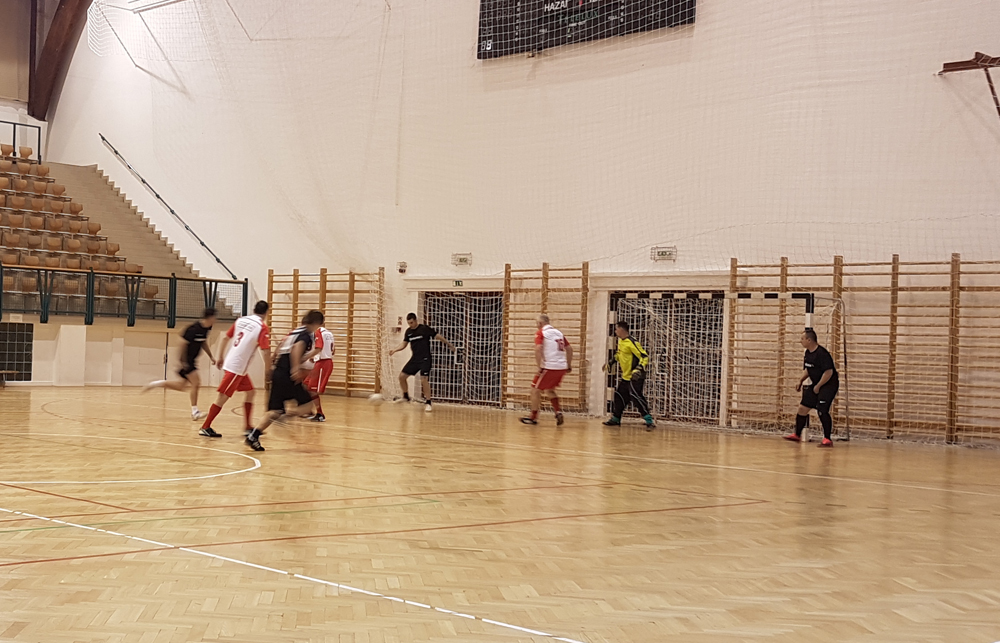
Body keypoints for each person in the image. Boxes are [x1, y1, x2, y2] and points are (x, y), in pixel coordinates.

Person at [245, 310, 324, 452]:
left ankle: (253, 436)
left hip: (279, 372)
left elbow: (280, 348)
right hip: (288, 375)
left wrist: (273, 364)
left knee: (274, 410)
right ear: (317, 323)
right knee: (308, 406)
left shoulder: (293, 332)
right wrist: (295, 368)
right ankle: (286, 416)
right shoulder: (306, 335)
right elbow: (297, 348)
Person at [199, 301, 271, 438]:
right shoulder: (261, 327)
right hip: (237, 368)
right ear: (266, 312)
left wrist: (221, 357)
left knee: (251, 392)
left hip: (235, 365)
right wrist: (268, 370)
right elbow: (266, 351)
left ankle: (248, 427)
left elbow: (225, 338)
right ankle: (205, 426)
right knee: (222, 398)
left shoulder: (241, 320)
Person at [142, 308, 217, 420]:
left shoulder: (207, 329)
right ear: (210, 317)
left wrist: (211, 356)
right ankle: (195, 412)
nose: (216, 319)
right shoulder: (193, 329)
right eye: (214, 317)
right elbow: (182, 343)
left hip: (192, 360)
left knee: (181, 386)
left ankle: (157, 383)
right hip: (187, 361)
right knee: (196, 383)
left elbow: (203, 342)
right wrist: (182, 361)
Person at [388, 312, 456, 412]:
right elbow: (404, 344)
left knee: (424, 379)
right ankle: (406, 396)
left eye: (412, 322)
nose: (410, 325)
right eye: (409, 323)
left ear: (416, 320)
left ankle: (428, 402)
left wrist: (449, 344)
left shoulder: (424, 329)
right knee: (402, 377)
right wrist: (394, 350)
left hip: (425, 359)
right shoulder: (408, 332)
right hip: (415, 359)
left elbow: (437, 336)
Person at [784, 328, 839, 447]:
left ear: (809, 340)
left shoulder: (822, 354)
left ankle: (827, 439)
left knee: (822, 410)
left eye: (802, 339)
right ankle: (797, 434)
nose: (801, 341)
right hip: (816, 384)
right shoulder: (808, 353)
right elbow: (808, 369)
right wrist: (800, 380)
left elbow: (828, 372)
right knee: (802, 409)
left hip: (828, 384)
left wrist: (818, 386)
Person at [521, 314, 572, 426]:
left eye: (537, 323)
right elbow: (569, 349)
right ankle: (558, 412)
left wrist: (539, 366)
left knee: (535, 390)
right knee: (549, 389)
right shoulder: (558, 333)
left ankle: (533, 417)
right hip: (561, 367)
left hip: (550, 366)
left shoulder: (541, 333)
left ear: (540, 323)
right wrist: (568, 365)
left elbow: (538, 348)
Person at [603, 321, 656, 430]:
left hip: (635, 376)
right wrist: (611, 363)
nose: (615, 331)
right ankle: (616, 418)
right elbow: (619, 355)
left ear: (621, 329)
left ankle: (649, 421)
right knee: (619, 396)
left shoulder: (632, 342)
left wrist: (638, 369)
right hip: (626, 376)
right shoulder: (621, 342)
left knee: (636, 396)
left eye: (616, 329)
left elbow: (644, 356)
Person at [304, 323, 335, 422]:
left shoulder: (318, 332)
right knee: (306, 384)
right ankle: (308, 410)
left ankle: (320, 414)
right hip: (324, 361)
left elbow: (319, 347)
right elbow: (333, 350)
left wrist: (307, 357)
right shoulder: (329, 333)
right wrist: (316, 357)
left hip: (323, 363)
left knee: (312, 389)